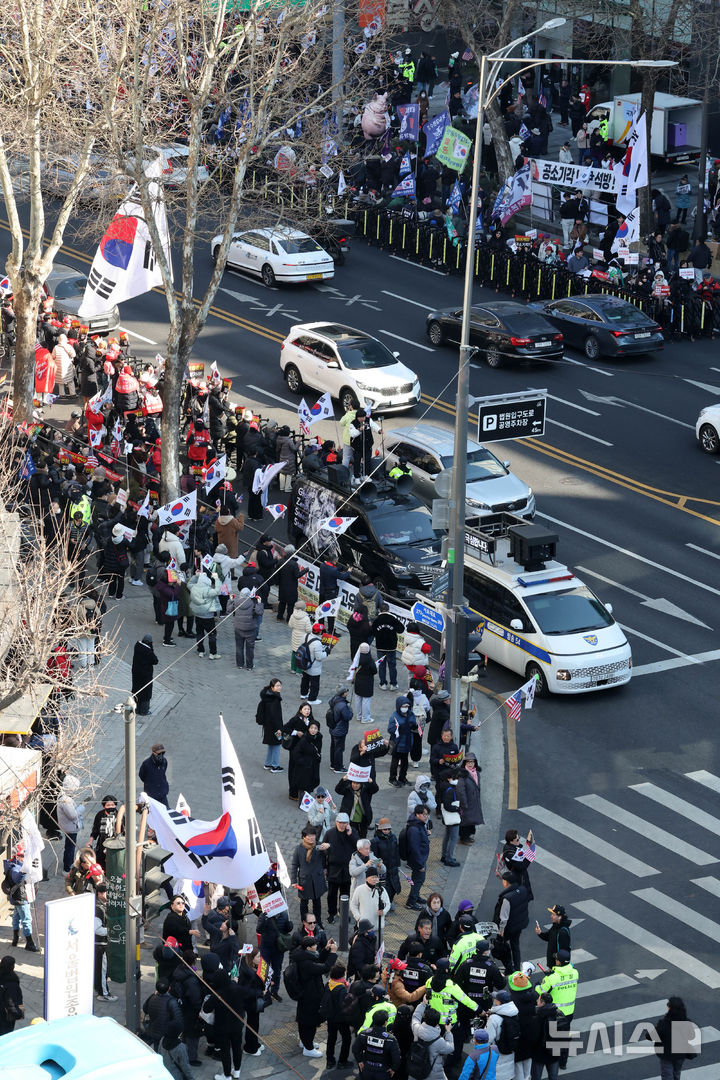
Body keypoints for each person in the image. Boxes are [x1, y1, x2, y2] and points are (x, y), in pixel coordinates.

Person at [424, 959, 476, 1066]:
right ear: (447, 970)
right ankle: (453, 1063)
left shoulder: (429, 981)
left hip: (433, 1020)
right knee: (457, 1042)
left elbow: (429, 996)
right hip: (450, 1022)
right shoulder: (452, 986)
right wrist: (479, 1009)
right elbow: (466, 1000)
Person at [293, 934, 338, 1056]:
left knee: (304, 1020)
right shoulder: (306, 963)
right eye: (314, 945)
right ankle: (308, 1048)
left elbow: (318, 961)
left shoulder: (303, 955)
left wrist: (326, 950)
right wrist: (333, 953)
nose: (316, 946)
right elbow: (324, 967)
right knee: (310, 1021)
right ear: (308, 948)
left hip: (306, 994)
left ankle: (305, 1041)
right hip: (310, 996)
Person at [538, 949, 578, 1069]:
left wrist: (541, 983)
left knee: (551, 1038)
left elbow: (541, 992)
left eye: (556, 959)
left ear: (558, 962)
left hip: (554, 1013)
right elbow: (569, 970)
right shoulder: (575, 973)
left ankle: (552, 1062)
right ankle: (563, 1063)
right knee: (564, 1038)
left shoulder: (552, 978)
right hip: (569, 1012)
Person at [646, 997, 698, 1080]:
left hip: (666, 1054)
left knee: (667, 1075)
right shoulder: (687, 1022)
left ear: (670, 1008)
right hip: (680, 1053)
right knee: (677, 1073)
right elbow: (692, 1036)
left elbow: (649, 1036)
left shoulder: (663, 1024)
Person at [290, 826, 330, 925]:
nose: (312, 838)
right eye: (309, 836)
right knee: (304, 903)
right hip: (305, 881)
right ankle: (305, 922)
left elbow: (328, 854)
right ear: (304, 837)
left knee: (317, 903)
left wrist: (328, 847)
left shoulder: (319, 846)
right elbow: (295, 865)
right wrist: (293, 881)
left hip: (317, 879)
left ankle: (318, 922)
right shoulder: (299, 849)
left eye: (313, 836)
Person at [3, 846, 38, 952]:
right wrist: (24, 871)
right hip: (21, 897)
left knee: (16, 918)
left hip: (19, 897)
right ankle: (30, 943)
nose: (24, 858)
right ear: (17, 857)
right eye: (23, 856)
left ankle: (15, 939)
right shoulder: (15, 868)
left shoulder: (15, 865)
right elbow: (18, 879)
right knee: (27, 920)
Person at [324, 813, 358, 924]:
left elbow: (358, 846)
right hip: (333, 869)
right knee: (332, 894)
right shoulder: (329, 833)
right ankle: (332, 913)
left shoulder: (352, 832)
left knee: (345, 894)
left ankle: (342, 911)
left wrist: (350, 834)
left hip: (347, 870)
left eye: (345, 823)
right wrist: (324, 867)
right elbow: (323, 852)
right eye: (340, 822)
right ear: (336, 822)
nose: (342, 825)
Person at [494, 873, 530, 973]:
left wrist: (501, 931)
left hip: (509, 928)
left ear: (506, 882)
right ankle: (517, 968)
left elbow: (503, 918)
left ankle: (509, 968)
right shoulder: (522, 889)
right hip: (519, 924)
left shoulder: (507, 898)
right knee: (515, 945)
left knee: (503, 947)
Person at [353, 1007, 401, 1078]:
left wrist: (359, 1061)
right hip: (383, 1071)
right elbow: (396, 1057)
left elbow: (355, 1049)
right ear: (385, 1022)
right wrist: (393, 1069)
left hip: (367, 1069)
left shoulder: (363, 1034)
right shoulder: (391, 1039)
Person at [323, 960, 353, 1069]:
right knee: (346, 1038)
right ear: (342, 974)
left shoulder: (329, 984)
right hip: (341, 1019)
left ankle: (329, 1061)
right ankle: (342, 1061)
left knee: (331, 1038)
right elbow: (343, 1005)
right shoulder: (341, 989)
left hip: (330, 1018)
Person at [486, 989, 520, 1080]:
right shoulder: (514, 1013)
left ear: (498, 1002)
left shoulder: (494, 1018)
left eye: (495, 999)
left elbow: (488, 1039)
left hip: (497, 1053)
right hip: (510, 1050)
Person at [189, 568, 222, 658]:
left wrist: (195, 576)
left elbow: (189, 584)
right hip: (208, 616)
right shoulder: (208, 590)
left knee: (199, 634)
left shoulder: (194, 588)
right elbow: (218, 591)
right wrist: (217, 579)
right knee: (212, 634)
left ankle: (201, 650)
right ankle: (213, 653)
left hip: (198, 615)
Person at [529, 990, 562, 1080]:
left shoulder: (537, 1018)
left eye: (538, 1000)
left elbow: (533, 1038)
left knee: (536, 1076)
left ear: (542, 1003)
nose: (536, 1001)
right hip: (554, 1052)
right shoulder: (560, 1015)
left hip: (539, 1053)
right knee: (553, 1076)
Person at [142, 979, 183, 1052]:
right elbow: (177, 1019)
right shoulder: (171, 1001)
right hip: (165, 1033)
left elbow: (145, 1009)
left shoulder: (152, 997)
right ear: (169, 988)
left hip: (152, 1029)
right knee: (163, 1052)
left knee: (156, 1048)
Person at [350, 866, 390, 938]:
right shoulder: (359, 889)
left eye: (376, 877)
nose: (374, 879)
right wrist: (359, 918)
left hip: (378, 926)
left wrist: (383, 912)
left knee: (378, 947)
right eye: (372, 877)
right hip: (364, 928)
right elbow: (353, 905)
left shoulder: (381, 889)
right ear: (366, 878)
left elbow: (388, 904)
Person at [334, 775, 379, 840]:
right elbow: (338, 790)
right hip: (350, 818)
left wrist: (371, 782)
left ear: (361, 784)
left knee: (362, 836)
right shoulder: (348, 790)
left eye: (357, 783)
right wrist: (343, 780)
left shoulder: (365, 790)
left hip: (363, 818)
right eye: (353, 783)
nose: (355, 785)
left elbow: (375, 790)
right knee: (350, 836)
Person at [229, 588, 264, 670]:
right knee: (250, 648)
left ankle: (240, 664)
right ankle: (249, 665)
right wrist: (259, 603)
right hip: (250, 629)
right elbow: (260, 612)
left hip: (238, 628)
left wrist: (230, 600)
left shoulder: (236, 603)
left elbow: (228, 610)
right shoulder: (253, 603)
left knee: (239, 647)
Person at [372, 603, 404, 690]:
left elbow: (372, 632)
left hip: (380, 646)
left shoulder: (376, 620)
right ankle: (393, 684)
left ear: (379, 610)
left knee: (382, 665)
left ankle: (383, 684)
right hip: (391, 647)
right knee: (392, 665)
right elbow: (401, 629)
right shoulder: (393, 619)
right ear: (388, 610)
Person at [405, 804, 430, 910]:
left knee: (418, 879)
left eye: (427, 814)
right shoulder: (414, 829)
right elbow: (414, 848)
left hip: (421, 858)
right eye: (424, 814)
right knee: (418, 880)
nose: (426, 817)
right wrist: (420, 864)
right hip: (418, 860)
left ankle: (416, 896)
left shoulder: (418, 824)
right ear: (417, 814)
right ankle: (411, 902)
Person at [256, 678, 284, 773]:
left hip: (267, 726)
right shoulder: (274, 700)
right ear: (272, 687)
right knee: (276, 746)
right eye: (277, 686)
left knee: (271, 746)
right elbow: (275, 716)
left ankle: (267, 763)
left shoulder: (267, 696)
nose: (279, 687)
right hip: (274, 727)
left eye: (280, 685)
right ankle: (275, 766)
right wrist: (279, 729)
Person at [388, 694, 416, 787]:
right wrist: (399, 728)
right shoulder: (394, 716)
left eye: (407, 706)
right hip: (398, 742)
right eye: (403, 706)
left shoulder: (410, 714)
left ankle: (402, 778)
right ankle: (392, 779)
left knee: (405, 762)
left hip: (407, 742)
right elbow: (390, 729)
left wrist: (414, 726)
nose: (405, 708)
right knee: (395, 762)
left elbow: (413, 723)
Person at [57, 775, 83, 874]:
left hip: (68, 826)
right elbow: (72, 815)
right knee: (70, 848)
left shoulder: (64, 797)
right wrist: (82, 807)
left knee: (69, 846)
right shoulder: (66, 800)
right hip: (70, 827)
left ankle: (67, 864)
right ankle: (67, 867)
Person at [371, 818, 401, 904]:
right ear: (380, 829)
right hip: (383, 869)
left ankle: (390, 902)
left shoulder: (393, 837)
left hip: (393, 867)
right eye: (385, 829)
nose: (387, 831)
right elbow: (374, 857)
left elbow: (396, 852)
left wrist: (397, 865)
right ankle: (384, 904)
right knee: (384, 888)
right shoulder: (375, 841)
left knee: (394, 887)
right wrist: (378, 867)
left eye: (388, 829)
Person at [457, 752, 483, 845]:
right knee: (466, 821)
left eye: (472, 762)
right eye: (468, 762)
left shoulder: (476, 773)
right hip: (467, 802)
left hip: (474, 801)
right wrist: (464, 803)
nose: (470, 764)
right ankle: (463, 838)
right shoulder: (463, 775)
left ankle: (468, 836)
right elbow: (460, 790)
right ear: (465, 763)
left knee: (472, 820)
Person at [535, 904, 572, 968]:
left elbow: (564, 953)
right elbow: (549, 937)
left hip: (557, 967)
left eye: (553, 915)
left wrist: (557, 967)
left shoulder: (563, 932)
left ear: (559, 917)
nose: (551, 916)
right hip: (552, 964)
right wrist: (540, 933)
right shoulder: (555, 926)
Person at [300, 622, 328, 705]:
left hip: (305, 663)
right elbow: (319, 657)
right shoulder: (317, 643)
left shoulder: (305, 636)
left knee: (305, 679)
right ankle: (312, 699)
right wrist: (326, 652)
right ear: (319, 632)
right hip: (313, 666)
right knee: (314, 683)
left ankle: (303, 694)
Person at [501, 828, 534, 897]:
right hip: (518, 877)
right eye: (517, 840)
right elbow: (521, 867)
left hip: (518, 875)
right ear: (511, 841)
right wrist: (530, 856)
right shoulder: (510, 854)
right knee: (522, 894)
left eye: (519, 837)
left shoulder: (510, 847)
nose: (519, 840)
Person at [327, 685, 353, 773]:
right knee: (339, 749)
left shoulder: (334, 699)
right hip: (340, 730)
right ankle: (338, 767)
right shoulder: (342, 706)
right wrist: (350, 711)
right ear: (343, 694)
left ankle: (333, 764)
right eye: (346, 691)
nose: (347, 693)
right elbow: (348, 717)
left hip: (333, 727)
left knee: (333, 747)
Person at [89, 795, 119, 870]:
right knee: (101, 865)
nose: (111, 807)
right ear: (104, 806)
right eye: (108, 805)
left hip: (115, 845)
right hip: (102, 844)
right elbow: (95, 829)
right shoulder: (100, 815)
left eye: (112, 805)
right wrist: (90, 841)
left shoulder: (119, 815)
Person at [131, 635, 158, 716]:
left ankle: (137, 709)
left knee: (137, 691)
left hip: (136, 673)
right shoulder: (148, 651)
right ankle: (144, 711)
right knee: (146, 693)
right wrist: (151, 648)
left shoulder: (137, 647)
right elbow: (155, 661)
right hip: (145, 676)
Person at [440, 772, 461, 867]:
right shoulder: (451, 790)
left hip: (447, 818)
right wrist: (457, 809)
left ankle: (444, 855)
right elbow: (447, 805)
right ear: (449, 779)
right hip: (453, 817)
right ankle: (449, 858)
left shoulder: (445, 788)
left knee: (447, 836)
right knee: (453, 838)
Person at [139, 743, 170, 808]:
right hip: (151, 795)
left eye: (162, 753)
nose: (161, 755)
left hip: (162, 794)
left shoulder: (164, 761)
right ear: (154, 753)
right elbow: (141, 775)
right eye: (159, 753)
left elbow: (164, 772)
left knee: (166, 812)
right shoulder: (146, 764)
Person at [354, 642, 377, 723]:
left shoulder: (357, 658)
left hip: (358, 681)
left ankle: (359, 715)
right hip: (367, 683)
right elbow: (374, 671)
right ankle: (365, 718)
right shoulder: (370, 660)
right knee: (366, 701)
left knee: (358, 699)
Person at [0, 956, 24, 1035]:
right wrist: (19, 1014)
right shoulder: (12, 983)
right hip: (5, 1015)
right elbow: (11, 1002)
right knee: (6, 1034)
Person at [289, 600, 313, 674]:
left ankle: (293, 668)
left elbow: (290, 625)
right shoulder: (306, 618)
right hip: (303, 637)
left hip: (294, 634)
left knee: (294, 652)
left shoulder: (293, 615)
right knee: (301, 654)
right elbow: (308, 630)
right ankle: (299, 671)